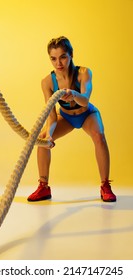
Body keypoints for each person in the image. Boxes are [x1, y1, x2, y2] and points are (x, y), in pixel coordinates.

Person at [27, 36, 116, 202]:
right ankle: (43, 187)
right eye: (53, 59)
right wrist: (50, 135)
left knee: (99, 137)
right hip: (66, 117)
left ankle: (105, 185)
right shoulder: (47, 82)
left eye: (63, 57)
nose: (58, 63)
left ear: (71, 55)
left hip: (87, 114)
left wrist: (74, 94)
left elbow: (85, 99)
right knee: (42, 140)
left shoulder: (83, 73)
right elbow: (51, 115)